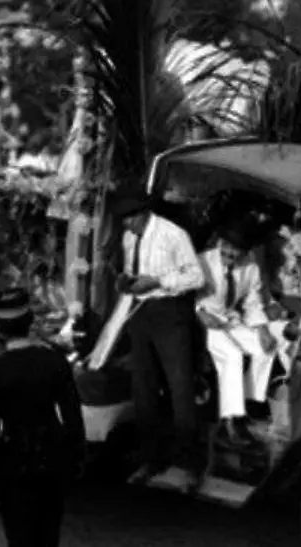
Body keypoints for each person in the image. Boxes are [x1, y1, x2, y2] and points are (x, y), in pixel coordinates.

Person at [0, 288, 84, 547]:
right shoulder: (55, 362)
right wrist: (75, 461)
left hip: (14, 465)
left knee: (20, 537)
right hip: (52, 460)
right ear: (30, 322)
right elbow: (73, 419)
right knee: (49, 536)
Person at [114, 192, 206, 490]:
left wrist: (159, 282)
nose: (127, 226)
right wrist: (126, 280)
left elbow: (196, 276)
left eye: (130, 219)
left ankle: (187, 464)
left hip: (170, 311)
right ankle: (150, 459)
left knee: (180, 388)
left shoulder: (172, 234)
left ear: (142, 214)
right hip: (141, 311)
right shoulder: (129, 237)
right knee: (144, 388)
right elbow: (132, 269)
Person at [196, 219, 278, 446]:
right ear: (219, 242)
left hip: (230, 319)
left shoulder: (250, 266)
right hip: (206, 323)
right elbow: (189, 295)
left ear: (245, 251)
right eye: (227, 247)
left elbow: (252, 302)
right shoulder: (202, 261)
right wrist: (199, 311)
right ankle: (230, 421)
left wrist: (262, 329)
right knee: (232, 356)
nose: (230, 253)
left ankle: (245, 403)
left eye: (236, 250)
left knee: (267, 348)